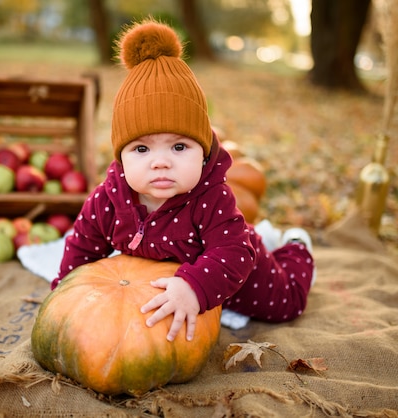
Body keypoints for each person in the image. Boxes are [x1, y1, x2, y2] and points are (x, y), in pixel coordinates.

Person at [50, 18, 315, 342]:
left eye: (179, 146)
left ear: (204, 153)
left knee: (285, 304)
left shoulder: (211, 198)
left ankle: (295, 246)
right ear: (120, 156)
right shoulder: (107, 201)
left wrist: (194, 286)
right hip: (167, 277)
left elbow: (234, 254)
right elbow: (81, 248)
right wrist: (64, 293)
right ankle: (270, 237)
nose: (160, 162)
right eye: (142, 148)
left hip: (236, 272)